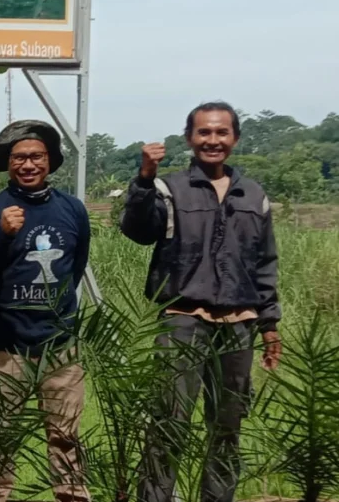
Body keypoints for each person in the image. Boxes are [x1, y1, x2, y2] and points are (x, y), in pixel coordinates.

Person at [121, 101, 282, 502]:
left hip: (238, 326)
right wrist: (144, 178)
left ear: (235, 138)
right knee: (168, 421)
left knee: (228, 426)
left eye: (221, 133)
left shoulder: (254, 194)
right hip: (182, 321)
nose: (213, 141)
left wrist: (269, 324)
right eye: (204, 133)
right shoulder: (169, 188)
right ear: (190, 137)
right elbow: (138, 231)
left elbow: (264, 263)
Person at [0, 120, 91, 502]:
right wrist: (2, 234)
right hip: (7, 346)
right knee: (1, 437)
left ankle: (71, 495)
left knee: (66, 436)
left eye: (36, 156)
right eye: (18, 157)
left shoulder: (72, 209)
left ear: (50, 160)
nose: (27, 164)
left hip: (60, 347)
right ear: (7, 163)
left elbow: (76, 265)